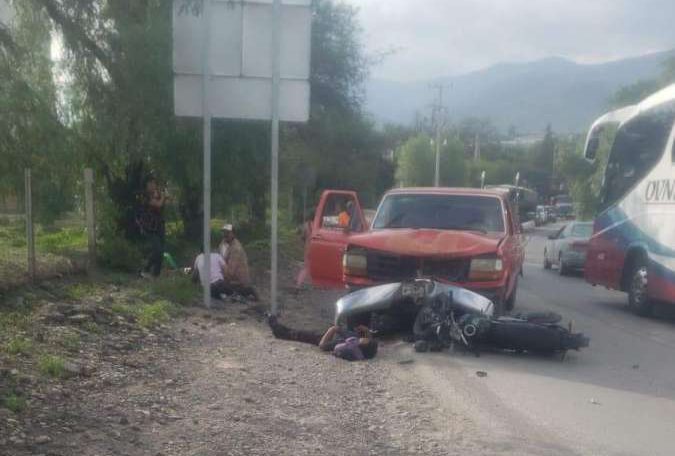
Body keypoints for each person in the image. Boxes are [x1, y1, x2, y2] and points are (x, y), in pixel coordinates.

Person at [268, 316, 378, 361]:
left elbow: (322, 345)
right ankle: (279, 328)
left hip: (325, 339)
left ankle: (277, 329)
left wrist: (332, 330)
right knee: (299, 333)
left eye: (362, 340)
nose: (361, 338)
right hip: (334, 336)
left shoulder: (347, 346)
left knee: (301, 335)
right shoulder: (357, 343)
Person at [138, 176, 166, 278]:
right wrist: (163, 196)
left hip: (159, 225)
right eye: (150, 184)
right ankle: (145, 269)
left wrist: (160, 196)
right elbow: (158, 205)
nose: (153, 186)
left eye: (154, 183)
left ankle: (156, 274)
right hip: (149, 227)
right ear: (146, 185)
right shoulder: (144, 196)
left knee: (161, 251)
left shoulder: (156, 194)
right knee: (157, 249)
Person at [221, 224, 258, 300]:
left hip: (237, 281)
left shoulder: (236, 249)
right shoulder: (225, 244)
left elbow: (231, 271)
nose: (225, 235)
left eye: (227, 233)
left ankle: (246, 291)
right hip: (232, 279)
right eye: (224, 232)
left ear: (233, 234)